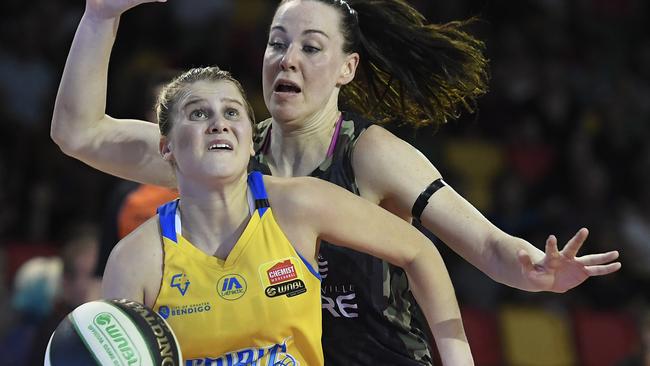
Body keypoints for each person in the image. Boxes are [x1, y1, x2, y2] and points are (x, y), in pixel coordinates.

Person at [50, 0, 622, 364]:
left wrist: (530, 269)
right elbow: (79, 133)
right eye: (277, 42)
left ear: (347, 68)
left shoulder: (371, 155)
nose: (287, 59)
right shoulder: (223, 156)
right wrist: (101, 15)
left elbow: (482, 247)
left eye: (310, 47)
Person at [98, 65, 472, 365]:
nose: (219, 123)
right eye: (198, 113)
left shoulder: (298, 205)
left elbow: (419, 251)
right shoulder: (135, 260)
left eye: (232, 112)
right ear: (166, 147)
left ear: (249, 140)